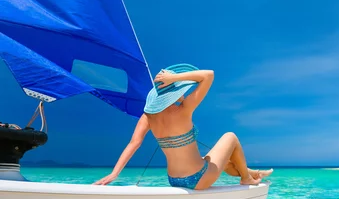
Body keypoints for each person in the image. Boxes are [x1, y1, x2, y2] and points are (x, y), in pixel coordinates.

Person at [93, 63, 272, 189]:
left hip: (174, 180)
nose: (185, 94)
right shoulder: (184, 110)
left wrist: (114, 174)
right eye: (181, 90)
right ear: (175, 94)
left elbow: (133, 144)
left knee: (223, 162)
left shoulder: (148, 116)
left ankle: (252, 172)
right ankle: (247, 179)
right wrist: (175, 78)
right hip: (197, 178)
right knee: (230, 137)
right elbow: (208, 75)